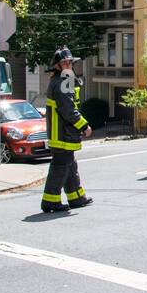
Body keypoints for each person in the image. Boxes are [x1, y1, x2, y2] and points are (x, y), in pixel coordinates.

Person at [41, 47, 93, 213]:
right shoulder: (62, 82)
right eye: (65, 62)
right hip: (61, 133)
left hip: (64, 132)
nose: (69, 65)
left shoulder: (64, 79)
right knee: (61, 167)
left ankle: (76, 198)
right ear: (57, 65)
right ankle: (50, 201)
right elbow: (68, 109)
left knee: (70, 165)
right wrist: (84, 125)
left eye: (70, 62)